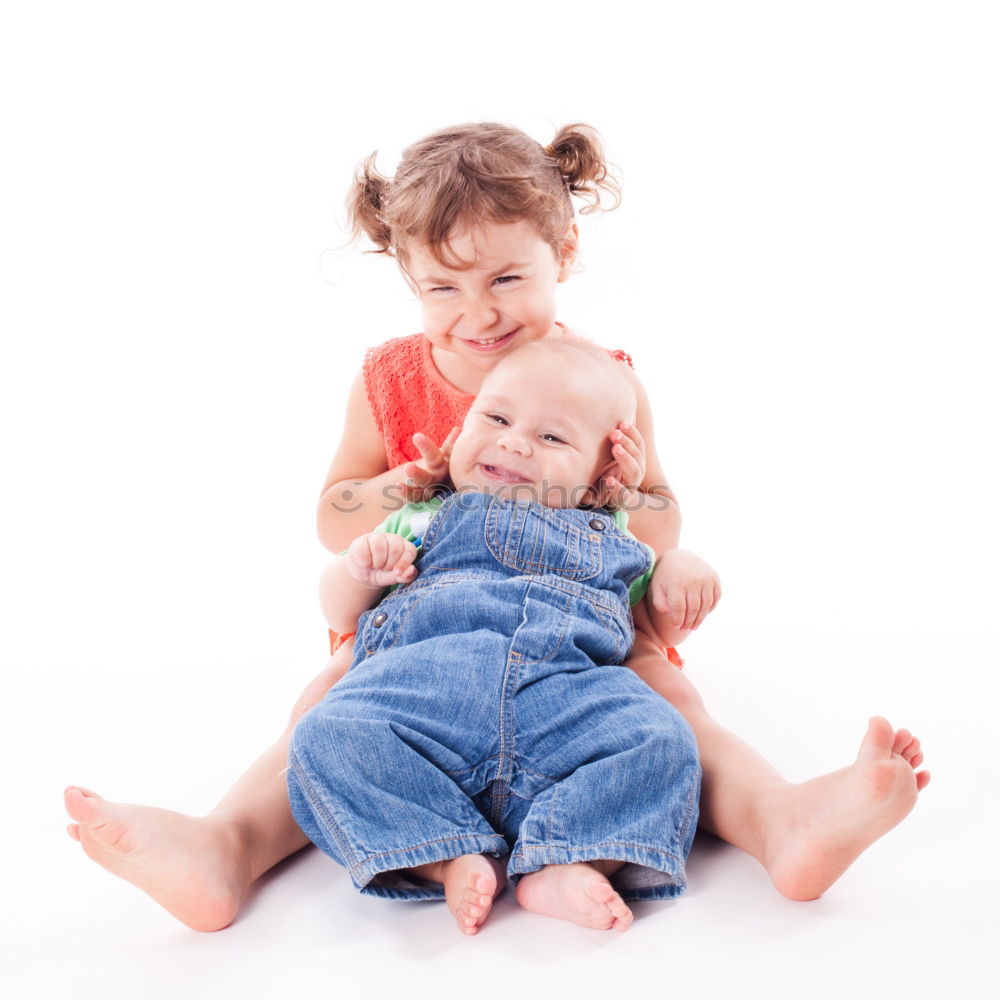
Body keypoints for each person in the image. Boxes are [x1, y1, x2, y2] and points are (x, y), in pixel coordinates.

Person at [64, 121, 929, 933]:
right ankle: (230, 846)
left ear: (563, 252)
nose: (478, 315)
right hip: (422, 618)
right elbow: (334, 514)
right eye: (444, 287)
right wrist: (397, 489)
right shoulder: (392, 379)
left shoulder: (603, 381)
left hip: (579, 629)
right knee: (322, 709)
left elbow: (660, 518)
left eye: (506, 280)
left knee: (672, 708)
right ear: (408, 277)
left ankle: (778, 823)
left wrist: (624, 496)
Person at [294, 339, 701, 935]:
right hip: (423, 697)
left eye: (553, 438)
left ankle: (566, 859)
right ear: (461, 428)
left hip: (565, 700)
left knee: (664, 743)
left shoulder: (611, 531)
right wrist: (361, 571)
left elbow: (657, 628)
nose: (513, 442)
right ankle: (445, 857)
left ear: (600, 478)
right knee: (325, 736)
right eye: (497, 418)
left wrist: (682, 570)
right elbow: (337, 610)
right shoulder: (424, 513)